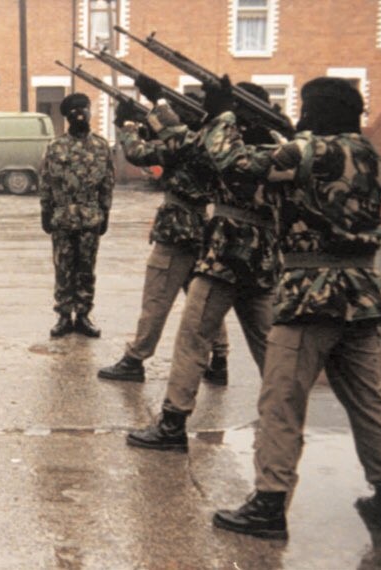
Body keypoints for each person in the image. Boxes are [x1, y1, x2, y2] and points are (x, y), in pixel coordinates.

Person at [209, 77, 381, 539]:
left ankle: (269, 504)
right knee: (368, 400)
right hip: (362, 293)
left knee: (281, 400)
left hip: (310, 294)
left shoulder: (311, 152)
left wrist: (224, 114)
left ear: (318, 109)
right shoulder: (369, 153)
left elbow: (234, 161)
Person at [123, 80, 282, 452]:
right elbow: (181, 134)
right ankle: (285, 418)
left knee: (192, 338)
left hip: (226, 255)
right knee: (270, 346)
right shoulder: (282, 145)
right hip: (263, 259)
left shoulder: (223, 140)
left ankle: (173, 423)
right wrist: (156, 102)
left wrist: (153, 110)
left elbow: (181, 141)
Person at [97, 84, 230, 385]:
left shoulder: (184, 142)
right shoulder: (208, 140)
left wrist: (127, 125)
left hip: (176, 229)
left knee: (156, 298)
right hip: (200, 226)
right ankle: (220, 358)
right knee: (203, 297)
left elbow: (138, 153)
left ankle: (135, 359)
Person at [39, 93, 114, 338]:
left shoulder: (101, 146)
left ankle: (82, 315)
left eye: (84, 109)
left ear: (91, 112)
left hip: (90, 217)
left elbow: (107, 183)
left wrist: (105, 212)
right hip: (62, 217)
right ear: (68, 117)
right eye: (75, 111)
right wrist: (45, 211)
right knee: (63, 268)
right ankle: (63, 315)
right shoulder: (55, 146)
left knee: (86, 269)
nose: (81, 115)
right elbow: (46, 182)